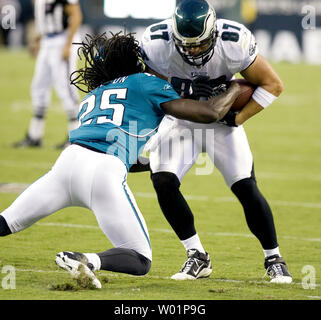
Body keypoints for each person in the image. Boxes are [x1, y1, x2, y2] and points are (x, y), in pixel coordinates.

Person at [0, 31, 241, 288]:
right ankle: (86, 259)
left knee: (6, 222)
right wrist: (236, 88)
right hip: (104, 173)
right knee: (140, 259)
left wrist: (150, 164)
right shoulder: (145, 81)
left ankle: (86, 260)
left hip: (66, 165)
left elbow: (113, 145)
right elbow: (210, 113)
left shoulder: (92, 96)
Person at [140, 0, 292, 283]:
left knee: (245, 187)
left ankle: (274, 258)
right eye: (187, 45)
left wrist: (239, 118)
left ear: (214, 32)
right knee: (163, 181)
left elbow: (273, 84)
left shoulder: (234, 41)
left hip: (221, 123)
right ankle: (196, 255)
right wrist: (179, 92)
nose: (193, 50)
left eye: (199, 44)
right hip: (182, 119)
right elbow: (149, 88)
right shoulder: (155, 43)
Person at [13, 0, 83, 149]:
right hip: (47, 41)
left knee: (66, 88)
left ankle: (76, 137)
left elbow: (76, 15)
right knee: (38, 87)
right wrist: (38, 39)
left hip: (62, 39)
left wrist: (68, 44)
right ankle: (35, 135)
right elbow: (45, 19)